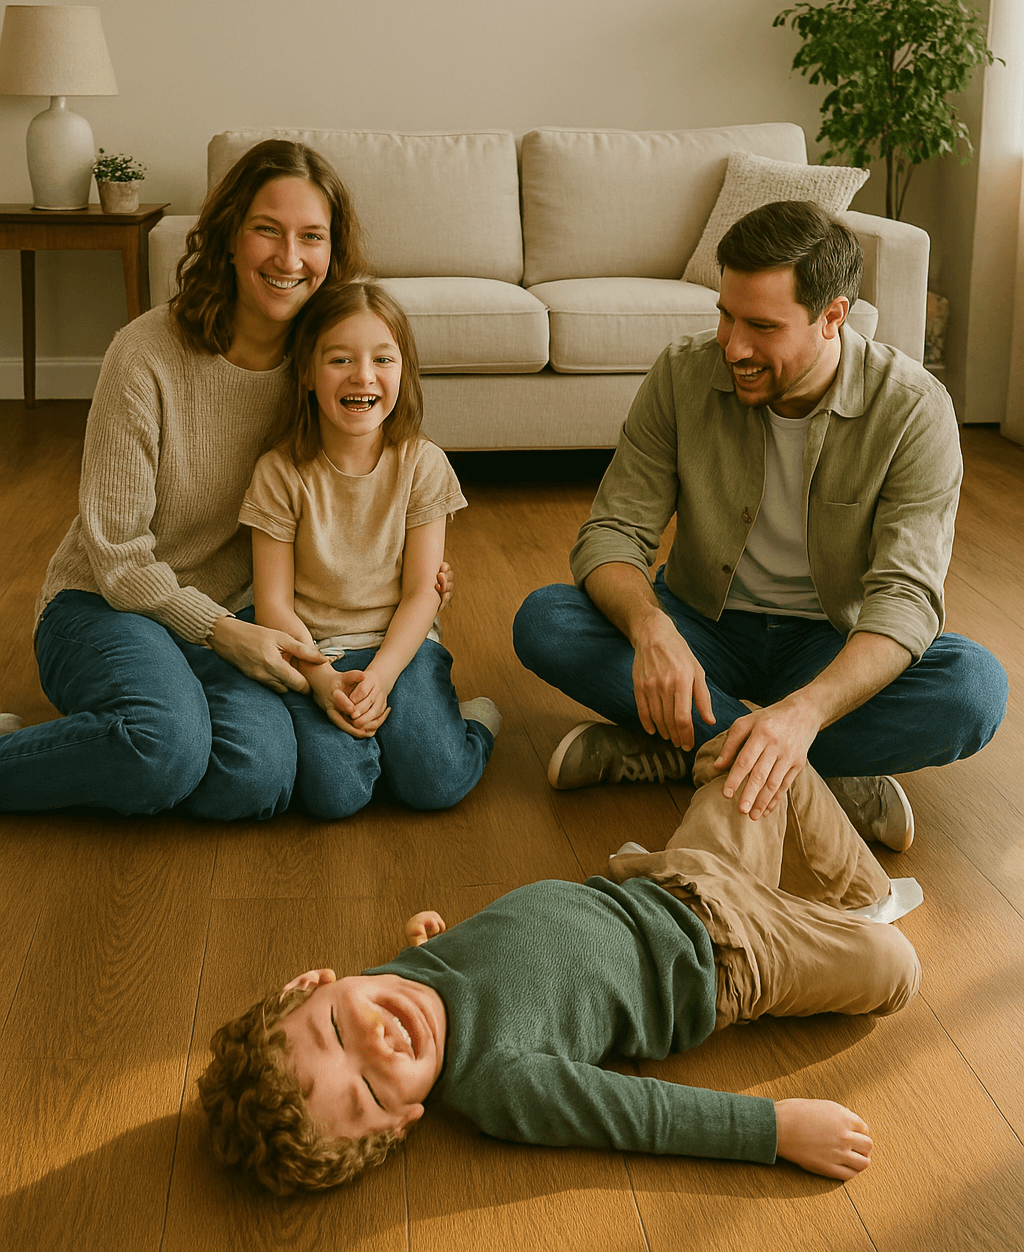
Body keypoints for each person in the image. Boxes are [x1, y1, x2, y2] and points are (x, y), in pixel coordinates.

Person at [197, 730, 923, 1195]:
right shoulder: (501, 1085)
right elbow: (640, 1116)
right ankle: (857, 916)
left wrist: (426, 938)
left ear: (314, 982)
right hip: (728, 958)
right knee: (898, 968)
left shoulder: (399, 978)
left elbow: (460, 969)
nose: (378, 1047)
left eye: (335, 1031)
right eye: (370, 1094)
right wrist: (775, 1132)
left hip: (672, 875)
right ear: (403, 1122)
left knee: (765, 747)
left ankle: (860, 892)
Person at [513, 200, 1008, 851]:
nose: (733, 345)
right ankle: (811, 770)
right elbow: (613, 533)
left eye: (763, 326)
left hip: (832, 642)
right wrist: (652, 629)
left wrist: (807, 710)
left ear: (833, 316)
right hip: (703, 628)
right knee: (546, 620)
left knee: (974, 690)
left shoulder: (913, 410)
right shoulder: (683, 374)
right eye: (725, 315)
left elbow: (905, 600)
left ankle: (688, 749)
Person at [0, 139, 447, 821]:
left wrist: (417, 568)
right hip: (105, 607)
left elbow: (370, 488)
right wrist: (219, 632)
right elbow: (117, 558)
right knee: (166, 752)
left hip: (241, 618)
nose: (289, 258)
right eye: (268, 229)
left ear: (333, 253)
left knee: (258, 781)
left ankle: (125, 737)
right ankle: (107, 742)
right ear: (230, 236)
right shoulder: (146, 354)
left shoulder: (325, 365)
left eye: (312, 237)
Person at [239, 279, 499, 819]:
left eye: (383, 358)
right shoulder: (278, 473)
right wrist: (322, 681)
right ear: (308, 373)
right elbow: (273, 607)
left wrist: (380, 677)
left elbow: (422, 594)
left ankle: (469, 724)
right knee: (336, 796)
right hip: (316, 652)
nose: (363, 375)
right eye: (340, 359)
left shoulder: (423, 465)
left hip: (401, 648)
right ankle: (388, 743)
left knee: (437, 783)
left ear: (404, 372)